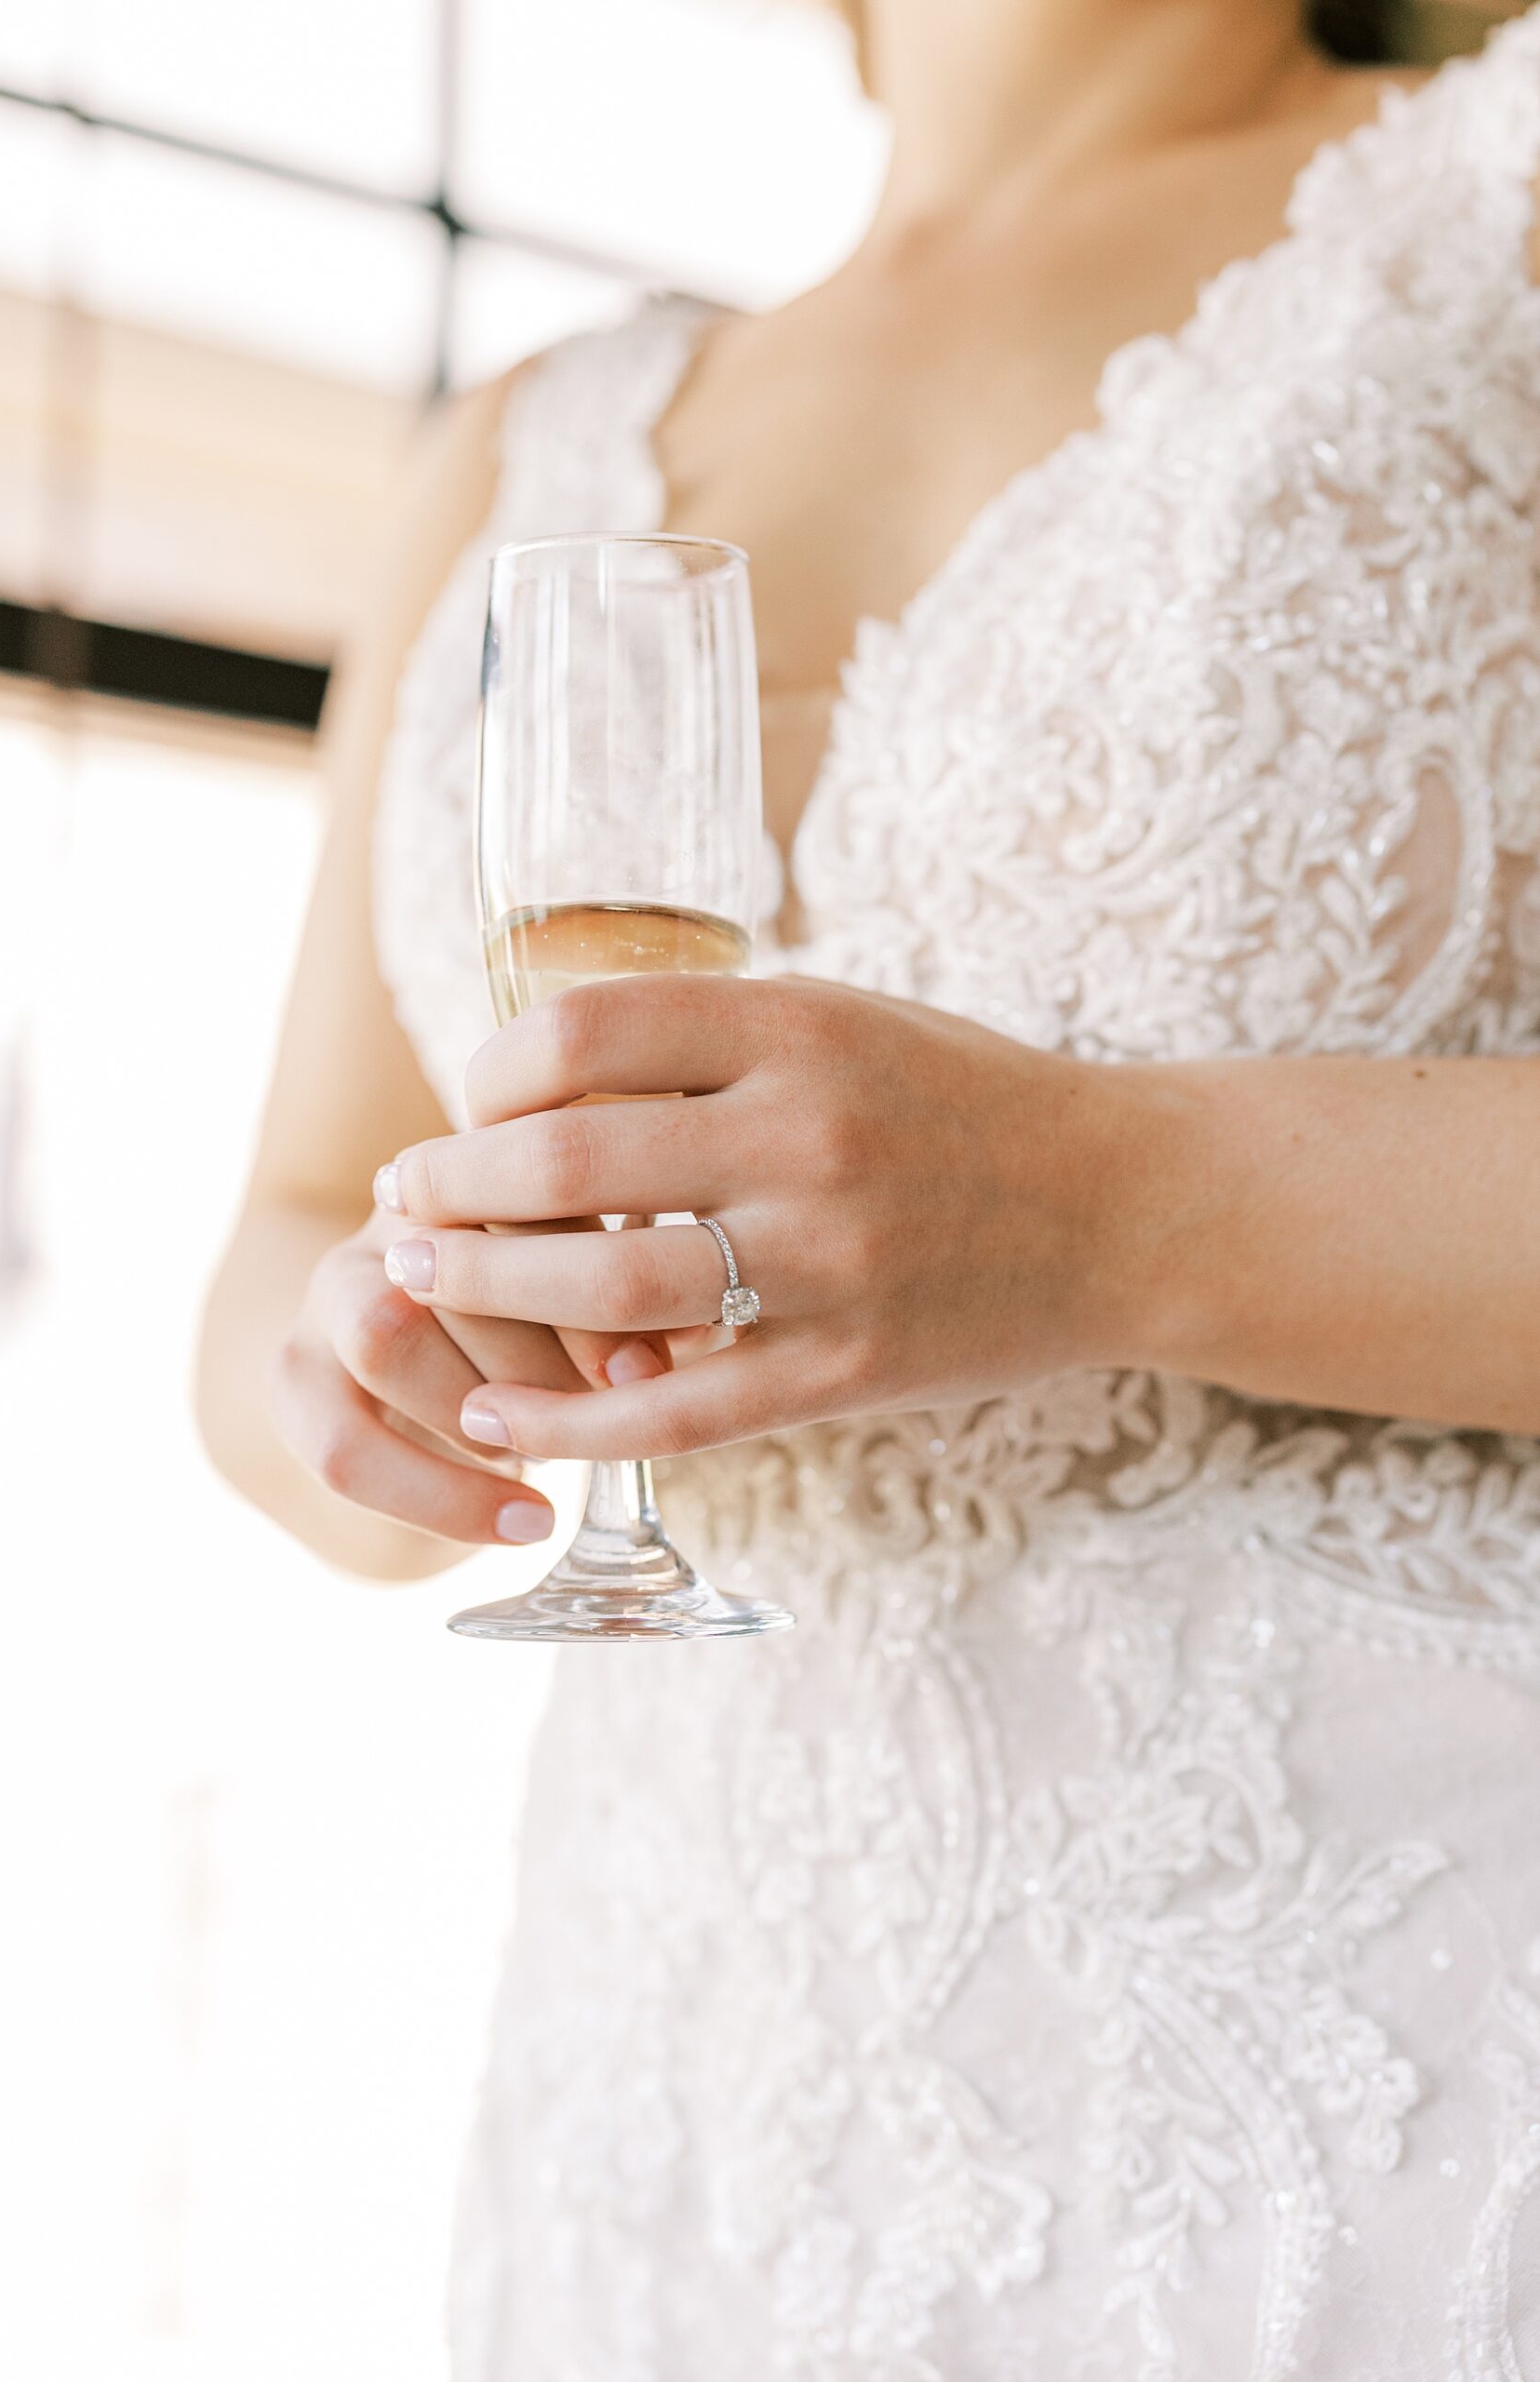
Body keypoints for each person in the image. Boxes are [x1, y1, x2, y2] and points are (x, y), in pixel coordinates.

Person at [199, 2, 1540, 2371]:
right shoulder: (525, 445)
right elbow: (291, 1215)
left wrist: (1120, 1200)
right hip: (680, 2112)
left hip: (1387, 2095)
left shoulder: (1501, 188)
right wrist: (370, 1369)